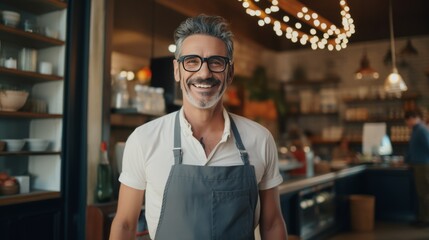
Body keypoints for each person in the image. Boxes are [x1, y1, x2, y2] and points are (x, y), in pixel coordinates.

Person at [110, 15, 288, 239]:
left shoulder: (259, 139)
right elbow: (125, 224)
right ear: (177, 70)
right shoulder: (144, 139)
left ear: (230, 73)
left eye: (216, 62)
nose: (204, 73)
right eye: (192, 61)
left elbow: (272, 224)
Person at [404, 109, 429, 228]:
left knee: (424, 194)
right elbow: (412, 149)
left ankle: (425, 219)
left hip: (423, 165)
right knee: (421, 193)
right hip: (417, 165)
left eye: (407, 121)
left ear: (413, 118)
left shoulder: (421, 130)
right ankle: (421, 218)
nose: (407, 124)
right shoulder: (416, 130)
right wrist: (407, 160)